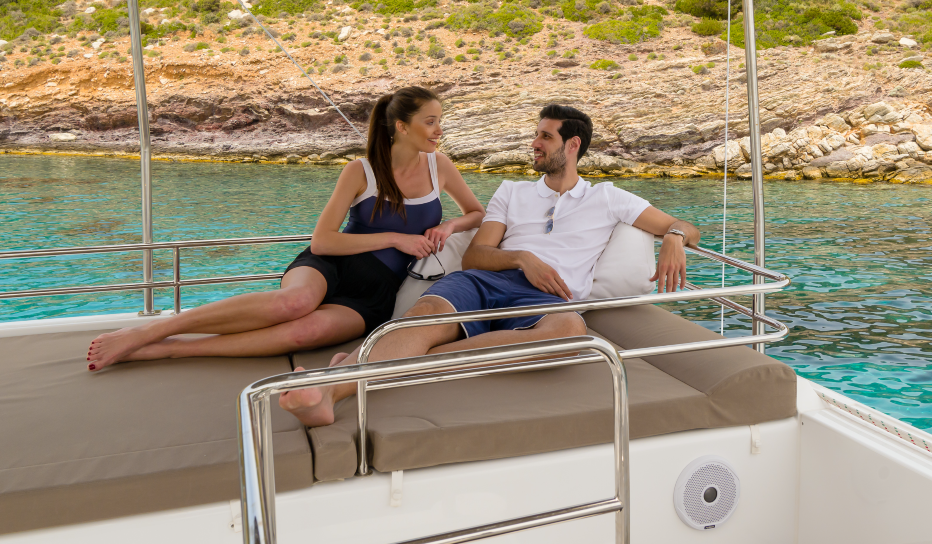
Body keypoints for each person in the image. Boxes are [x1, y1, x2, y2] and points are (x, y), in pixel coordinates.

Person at [279, 103, 701, 426]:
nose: (534, 143)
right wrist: (522, 258)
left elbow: (683, 226)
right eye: (536, 134)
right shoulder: (512, 192)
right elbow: (475, 255)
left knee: (571, 331)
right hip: (484, 281)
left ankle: (390, 359)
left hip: (547, 301)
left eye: (545, 137)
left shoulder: (609, 198)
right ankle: (326, 394)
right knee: (423, 315)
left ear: (573, 145)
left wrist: (675, 239)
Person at [86, 86, 485, 370]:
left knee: (301, 333)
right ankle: (155, 330)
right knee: (292, 305)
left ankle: (170, 350)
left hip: (378, 291)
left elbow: (476, 213)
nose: (438, 131)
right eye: (430, 122)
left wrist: (449, 226)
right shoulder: (360, 171)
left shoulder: (440, 166)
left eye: (439, 122)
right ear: (400, 126)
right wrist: (397, 238)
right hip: (332, 265)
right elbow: (323, 241)